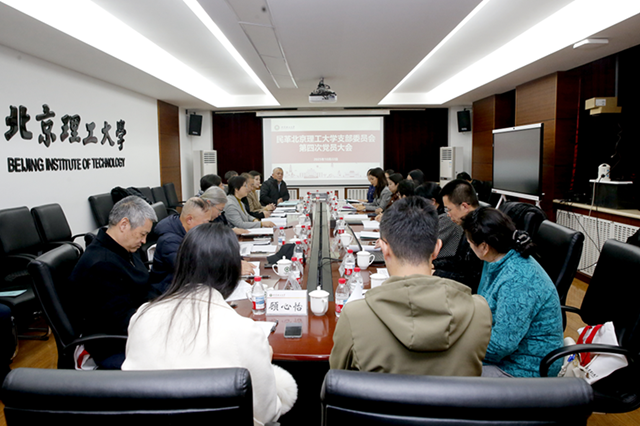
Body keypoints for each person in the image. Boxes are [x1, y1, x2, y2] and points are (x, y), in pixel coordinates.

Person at [123, 223, 297, 425]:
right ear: (232, 269)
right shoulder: (245, 332)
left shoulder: (142, 316)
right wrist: (265, 361)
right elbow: (267, 414)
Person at [330, 197, 492, 376]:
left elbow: (339, 377)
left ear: (384, 248)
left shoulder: (355, 317)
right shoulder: (478, 312)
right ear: (437, 248)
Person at [461, 207, 563, 378]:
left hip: (526, 367)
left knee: (449, 373)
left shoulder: (518, 279)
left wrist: (459, 349)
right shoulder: (498, 259)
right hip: (507, 354)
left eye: (470, 242)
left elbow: (501, 346)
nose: (469, 246)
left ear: (484, 247)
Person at [69, 196, 159, 369]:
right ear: (124, 224)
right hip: (115, 345)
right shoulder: (102, 265)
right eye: (142, 234)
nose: (144, 241)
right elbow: (121, 322)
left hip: (137, 324)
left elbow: (144, 286)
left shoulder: (124, 249)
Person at [148, 198, 213, 293]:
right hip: (168, 291)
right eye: (205, 223)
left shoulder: (187, 230)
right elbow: (190, 270)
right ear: (189, 219)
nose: (207, 227)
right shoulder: (169, 241)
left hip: (184, 286)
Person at [433, 179, 483, 293]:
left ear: (464, 206)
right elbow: (459, 262)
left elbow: (472, 281)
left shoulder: (481, 231)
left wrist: (436, 273)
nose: (448, 214)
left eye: (449, 209)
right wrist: (432, 265)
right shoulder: (469, 226)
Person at [415, 182, 463, 260]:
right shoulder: (434, 218)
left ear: (432, 201)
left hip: (443, 262)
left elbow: (423, 245)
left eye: (418, 203)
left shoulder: (447, 220)